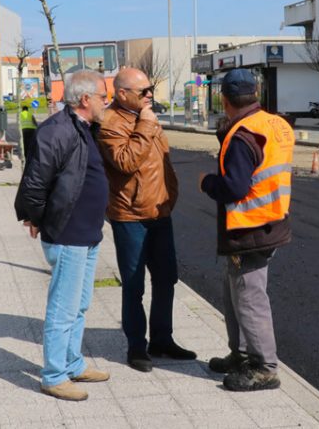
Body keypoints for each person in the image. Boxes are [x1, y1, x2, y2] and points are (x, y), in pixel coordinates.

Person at [14, 70, 111, 402]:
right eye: (102, 96)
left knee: (80, 305)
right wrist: (36, 217)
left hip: (88, 234)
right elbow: (34, 182)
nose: (106, 102)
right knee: (63, 307)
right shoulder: (56, 131)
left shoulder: (84, 128)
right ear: (85, 99)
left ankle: (72, 363)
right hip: (68, 233)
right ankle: (54, 375)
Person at [199, 69, 295, 392]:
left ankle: (264, 366)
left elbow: (235, 187)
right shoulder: (274, 124)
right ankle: (239, 354)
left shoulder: (242, 136)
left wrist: (207, 183)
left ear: (224, 100)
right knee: (234, 293)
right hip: (271, 221)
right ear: (255, 94)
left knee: (250, 297)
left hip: (249, 229)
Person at [96, 67, 196, 373]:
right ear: (123, 94)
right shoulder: (111, 123)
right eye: (144, 91)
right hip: (131, 216)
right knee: (134, 284)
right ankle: (136, 346)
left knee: (167, 279)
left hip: (159, 212)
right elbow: (126, 162)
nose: (150, 94)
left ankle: (162, 339)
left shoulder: (145, 116)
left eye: (150, 89)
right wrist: (145, 126)